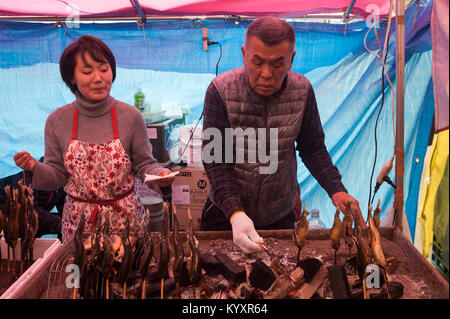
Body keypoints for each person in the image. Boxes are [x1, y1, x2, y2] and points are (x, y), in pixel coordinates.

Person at [200, 17, 365, 254]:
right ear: (244, 54)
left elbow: (312, 147)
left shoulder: (303, 90)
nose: (266, 74)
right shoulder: (220, 90)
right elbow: (216, 160)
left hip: (279, 212)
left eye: (278, 64)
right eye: (257, 62)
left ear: (292, 59)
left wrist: (336, 188)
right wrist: (235, 212)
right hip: (224, 213)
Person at [14, 35, 175, 242]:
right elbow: (57, 175)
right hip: (78, 225)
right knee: (80, 273)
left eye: (104, 69)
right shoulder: (57, 120)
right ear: (72, 78)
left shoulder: (131, 116)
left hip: (126, 223)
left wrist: (160, 175)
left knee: (130, 272)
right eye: (87, 72)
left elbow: (144, 165)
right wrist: (34, 167)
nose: (98, 78)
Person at [0, 157, 65, 240]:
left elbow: (64, 210)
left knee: (66, 222)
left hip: (26, 217)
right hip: (10, 215)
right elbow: (31, 211)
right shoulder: (28, 179)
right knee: (60, 223)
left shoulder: (60, 182)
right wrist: (61, 224)